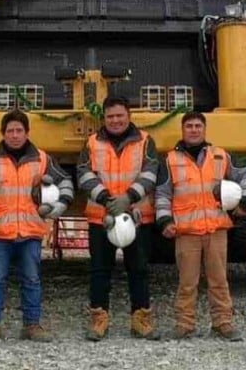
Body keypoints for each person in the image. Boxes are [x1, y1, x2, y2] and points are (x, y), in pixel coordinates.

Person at [0, 110, 74, 343]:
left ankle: (32, 325)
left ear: (27, 133)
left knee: (32, 279)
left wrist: (62, 203)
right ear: (3, 134)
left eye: (19, 130)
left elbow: (65, 180)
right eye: (10, 131)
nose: (14, 135)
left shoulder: (43, 159)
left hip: (30, 231)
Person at [155, 111, 246, 341]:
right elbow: (163, 194)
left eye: (197, 126)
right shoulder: (170, 160)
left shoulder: (221, 156)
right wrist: (165, 221)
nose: (193, 129)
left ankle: (223, 323)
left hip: (216, 230)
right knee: (187, 283)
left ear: (204, 129)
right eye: (189, 126)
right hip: (187, 233)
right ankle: (184, 325)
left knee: (219, 281)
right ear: (182, 130)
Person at [77, 96, 162, 341]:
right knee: (99, 271)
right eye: (110, 116)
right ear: (104, 118)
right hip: (100, 217)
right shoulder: (92, 143)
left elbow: (150, 171)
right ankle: (98, 320)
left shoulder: (146, 141)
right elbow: (84, 174)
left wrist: (128, 199)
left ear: (129, 116)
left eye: (119, 116)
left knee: (139, 270)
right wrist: (108, 201)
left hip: (138, 217)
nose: (115, 120)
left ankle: (141, 320)